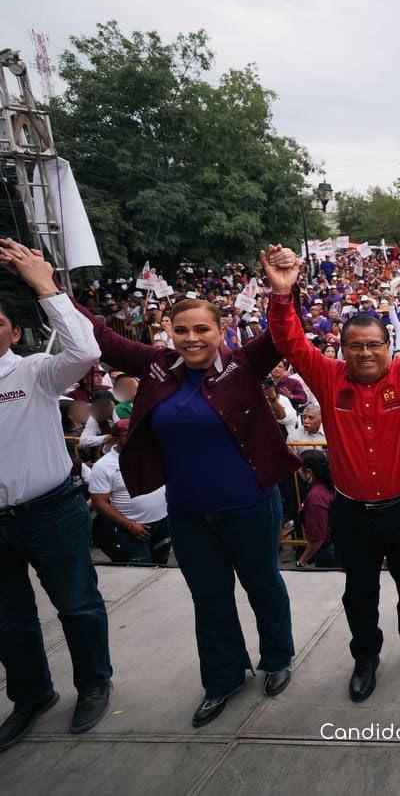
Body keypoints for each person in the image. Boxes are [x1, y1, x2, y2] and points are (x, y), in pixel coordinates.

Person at [76, 286, 298, 728]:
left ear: (222, 331)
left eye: (202, 329)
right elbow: (99, 334)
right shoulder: (157, 365)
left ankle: (277, 657)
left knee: (262, 584)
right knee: (209, 598)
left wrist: (282, 290)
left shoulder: (244, 364)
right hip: (188, 512)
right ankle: (223, 678)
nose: (192, 338)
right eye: (181, 330)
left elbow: (281, 334)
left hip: (250, 506)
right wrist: (49, 289)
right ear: (168, 332)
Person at [262, 245, 400, 705]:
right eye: (355, 345)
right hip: (353, 513)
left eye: (373, 344)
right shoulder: (328, 377)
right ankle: (366, 656)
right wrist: (283, 296)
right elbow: (290, 343)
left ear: (389, 348)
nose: (364, 352)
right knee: (358, 592)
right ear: (342, 350)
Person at [0, 238, 113, 750]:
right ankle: (31, 696)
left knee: (77, 605)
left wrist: (44, 285)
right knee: (8, 620)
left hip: (51, 512)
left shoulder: (33, 373)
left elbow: (86, 350)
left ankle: (93, 683)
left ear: (15, 332)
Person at [87, 420, 171, 565]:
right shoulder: (103, 466)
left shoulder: (155, 454)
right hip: (131, 530)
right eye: (128, 435)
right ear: (115, 439)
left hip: (163, 524)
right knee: (140, 570)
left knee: (161, 564)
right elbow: (99, 503)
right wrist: (130, 526)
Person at [295, 450, 338, 569]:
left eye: (299, 468)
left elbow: (318, 539)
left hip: (328, 554)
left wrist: (302, 560)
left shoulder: (315, 497)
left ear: (308, 472)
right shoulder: (329, 486)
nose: (297, 471)